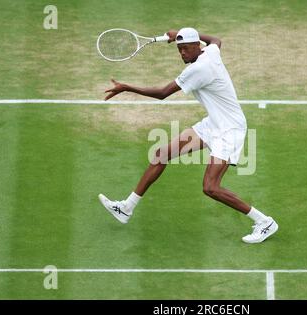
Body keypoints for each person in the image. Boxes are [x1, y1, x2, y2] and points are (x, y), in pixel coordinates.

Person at [99, 27, 277, 243]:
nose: (182, 53)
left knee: (210, 188)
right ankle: (126, 208)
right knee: (161, 154)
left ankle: (264, 222)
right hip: (214, 124)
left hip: (229, 130)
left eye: (186, 49)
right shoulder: (210, 51)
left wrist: (127, 88)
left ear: (196, 47)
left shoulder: (198, 69)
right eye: (179, 49)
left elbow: (163, 94)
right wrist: (184, 33)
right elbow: (216, 39)